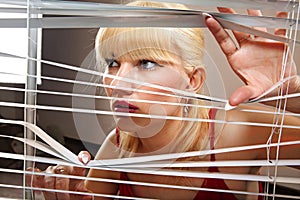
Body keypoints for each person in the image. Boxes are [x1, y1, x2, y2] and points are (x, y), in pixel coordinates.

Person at [27, 1, 300, 200]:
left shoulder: (237, 132)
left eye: (146, 63)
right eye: (112, 63)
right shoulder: (117, 147)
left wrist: (294, 95)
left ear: (192, 81)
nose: (118, 83)